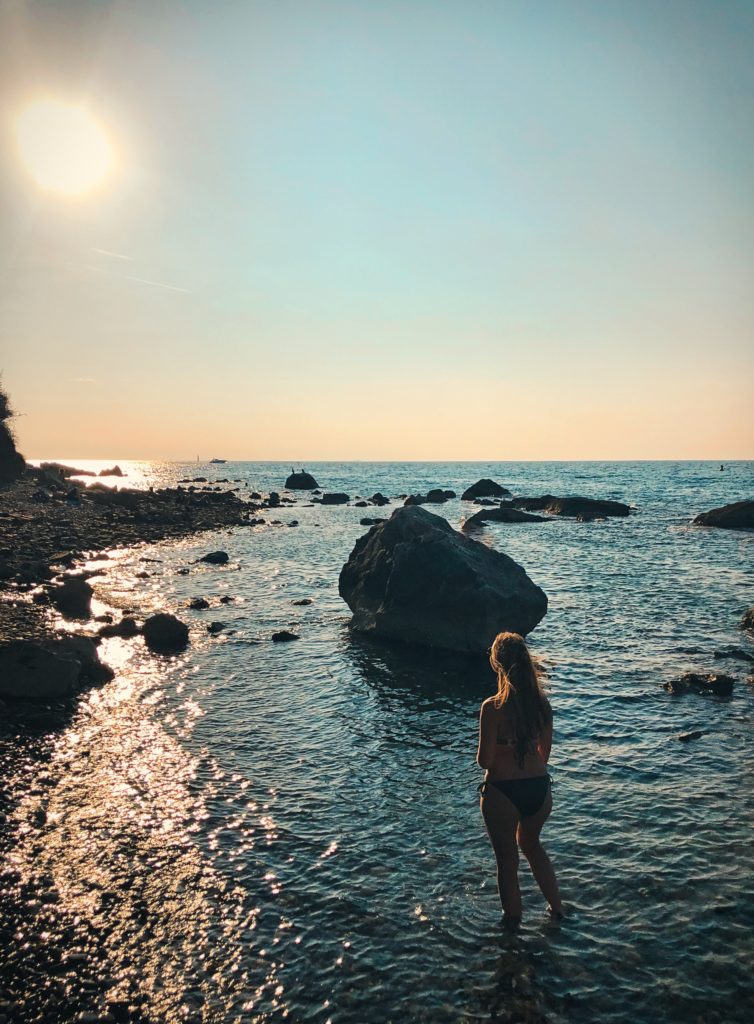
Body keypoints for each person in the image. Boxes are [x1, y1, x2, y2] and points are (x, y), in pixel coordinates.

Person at [477, 631, 562, 930]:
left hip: (504, 792)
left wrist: (502, 748)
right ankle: (558, 909)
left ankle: (512, 930)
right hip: (539, 790)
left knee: (507, 863)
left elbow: (485, 761)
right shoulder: (542, 706)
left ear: (496, 664)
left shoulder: (492, 707)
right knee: (533, 846)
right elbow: (544, 755)